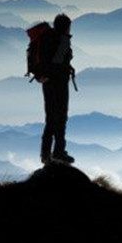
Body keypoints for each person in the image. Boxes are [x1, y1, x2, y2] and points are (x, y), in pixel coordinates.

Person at [39, 13, 76, 164]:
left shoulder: (49, 38)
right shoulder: (61, 40)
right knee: (59, 118)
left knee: (51, 119)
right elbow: (58, 63)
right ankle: (58, 152)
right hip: (58, 85)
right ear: (66, 26)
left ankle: (46, 154)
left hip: (49, 84)